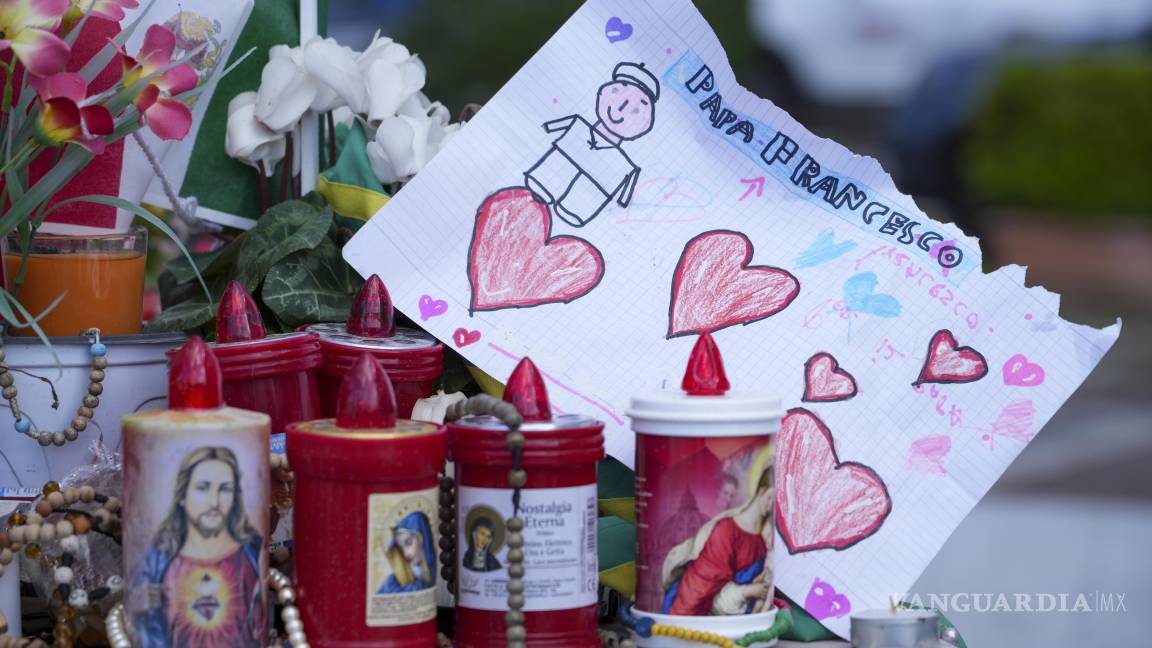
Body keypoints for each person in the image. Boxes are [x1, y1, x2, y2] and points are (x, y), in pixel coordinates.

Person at [131, 447, 265, 648]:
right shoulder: (155, 562)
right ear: (182, 495)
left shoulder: (251, 552)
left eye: (225, 489)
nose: (214, 502)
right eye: (203, 488)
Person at [524, 61, 660, 227]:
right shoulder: (577, 124)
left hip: (591, 189)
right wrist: (546, 127)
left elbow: (626, 194)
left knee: (576, 207)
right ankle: (545, 187)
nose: (621, 108)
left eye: (636, 110)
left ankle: (571, 208)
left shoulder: (625, 165)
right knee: (545, 181)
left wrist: (623, 201)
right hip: (560, 164)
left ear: (645, 123)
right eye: (617, 92)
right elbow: (548, 127)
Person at [661, 466, 775, 616]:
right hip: (692, 610)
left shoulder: (762, 540)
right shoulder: (726, 530)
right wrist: (748, 591)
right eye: (770, 497)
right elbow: (707, 589)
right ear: (761, 490)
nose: (771, 506)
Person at [379, 511, 436, 593]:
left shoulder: (433, 572)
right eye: (401, 548)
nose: (406, 554)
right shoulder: (393, 581)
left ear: (422, 538)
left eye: (408, 542)